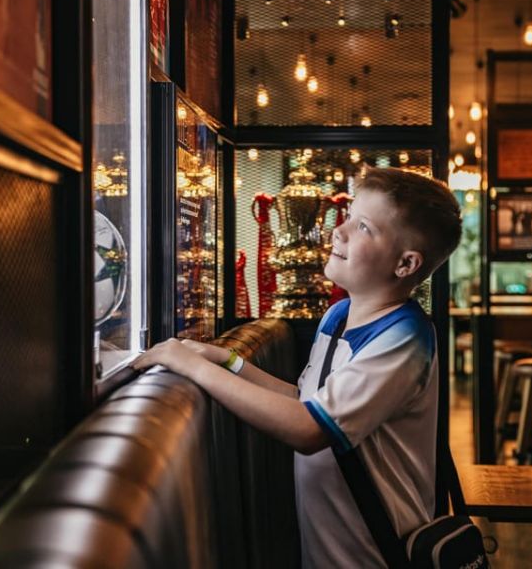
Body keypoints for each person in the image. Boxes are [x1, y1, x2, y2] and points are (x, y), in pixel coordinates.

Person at [131, 167, 462, 568]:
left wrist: (191, 367)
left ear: (406, 264)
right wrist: (228, 360)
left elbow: (309, 428)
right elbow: (305, 401)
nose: (338, 232)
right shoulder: (338, 316)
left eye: (363, 227)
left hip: (373, 557)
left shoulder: (404, 339)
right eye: (347, 218)